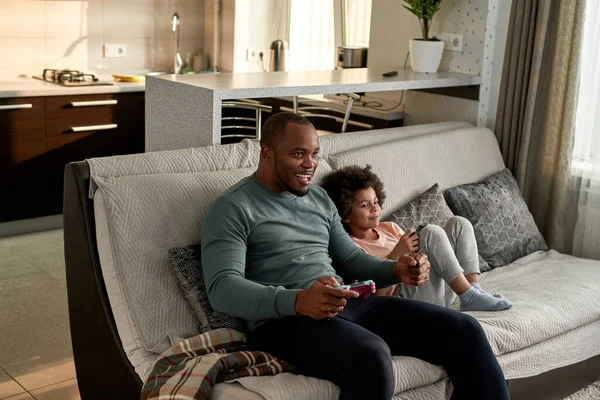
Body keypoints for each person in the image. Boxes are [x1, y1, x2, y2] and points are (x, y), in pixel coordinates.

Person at [201, 112, 509, 400]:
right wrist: (298, 300)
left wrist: (396, 270)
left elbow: (350, 261)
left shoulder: (318, 199)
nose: (311, 163)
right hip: (282, 323)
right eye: (298, 154)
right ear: (267, 153)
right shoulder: (232, 208)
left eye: (314, 153)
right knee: (371, 355)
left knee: (465, 331)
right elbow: (222, 289)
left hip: (347, 304)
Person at [321, 165, 513, 312]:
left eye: (376, 202)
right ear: (344, 214)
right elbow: (375, 297)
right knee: (431, 234)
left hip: (435, 287)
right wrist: (397, 254)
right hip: (406, 301)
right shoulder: (351, 247)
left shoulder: (389, 228)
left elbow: (418, 254)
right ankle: (469, 296)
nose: (375, 208)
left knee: (458, 223)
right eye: (364, 205)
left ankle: (472, 290)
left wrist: (423, 244)